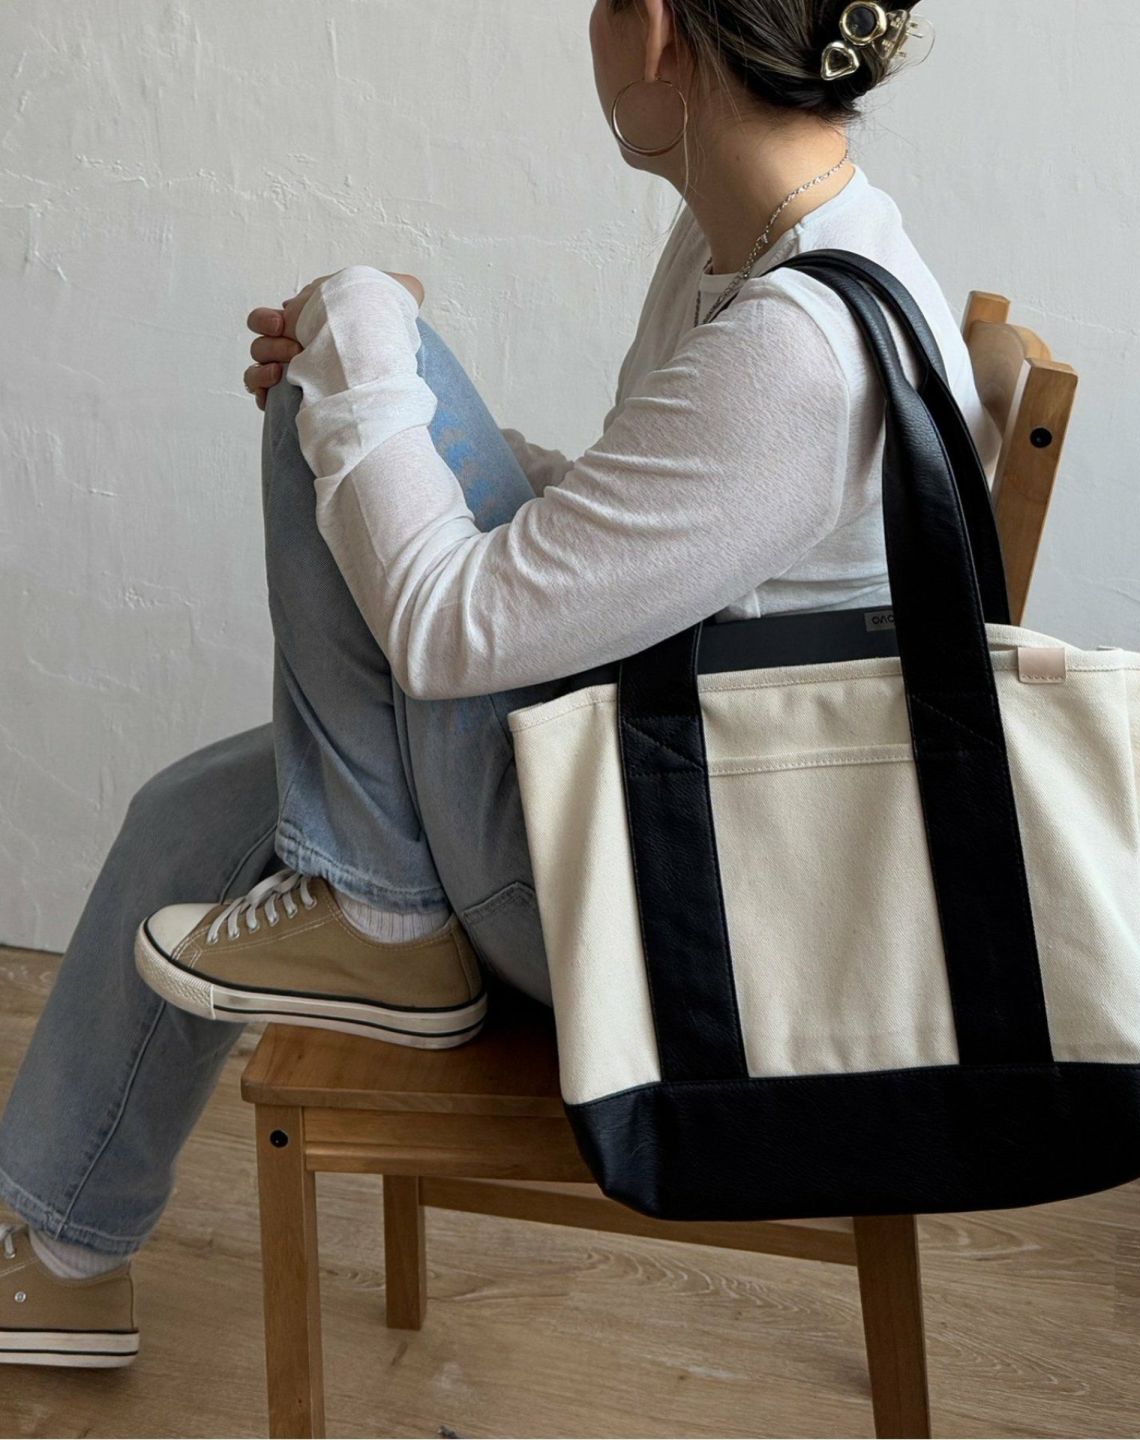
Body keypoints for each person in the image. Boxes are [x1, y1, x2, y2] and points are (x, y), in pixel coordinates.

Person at [0, 0, 998, 1368]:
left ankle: (384, 915)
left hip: (669, 926)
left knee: (348, 352)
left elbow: (449, 632)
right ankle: (58, 1258)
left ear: (658, 32)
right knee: (193, 810)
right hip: (652, 804)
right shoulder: (760, 256)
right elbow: (627, 540)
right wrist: (390, 405)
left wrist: (360, 354)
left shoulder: (799, 351)